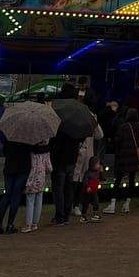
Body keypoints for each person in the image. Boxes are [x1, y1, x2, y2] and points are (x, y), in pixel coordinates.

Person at [103, 108, 139, 214]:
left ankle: (113, 204)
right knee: (132, 180)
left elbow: (117, 141)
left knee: (118, 180)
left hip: (123, 157)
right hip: (134, 158)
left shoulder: (123, 127)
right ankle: (127, 203)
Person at [49, 83, 81, 225]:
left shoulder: (57, 111)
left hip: (59, 156)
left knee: (58, 187)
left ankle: (60, 215)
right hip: (72, 155)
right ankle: (66, 214)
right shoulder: (78, 113)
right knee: (69, 186)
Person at [0, 140, 33, 234]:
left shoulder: (8, 139)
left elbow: (5, 152)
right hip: (22, 169)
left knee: (7, 195)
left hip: (9, 168)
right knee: (16, 196)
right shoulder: (26, 140)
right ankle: (10, 225)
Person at [22, 142, 53, 232]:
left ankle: (28, 224)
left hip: (32, 179)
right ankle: (35, 223)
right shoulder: (47, 151)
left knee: (30, 201)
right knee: (39, 201)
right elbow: (49, 168)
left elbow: (32, 168)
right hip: (41, 179)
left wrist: (28, 182)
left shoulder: (32, 152)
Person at [80, 155, 104, 222]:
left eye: (99, 164)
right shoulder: (88, 173)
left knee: (96, 202)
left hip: (94, 191)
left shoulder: (97, 173)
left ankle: (95, 214)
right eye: (97, 164)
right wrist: (87, 186)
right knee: (85, 204)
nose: (98, 166)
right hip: (87, 192)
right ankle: (83, 215)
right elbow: (85, 181)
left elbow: (102, 179)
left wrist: (101, 172)